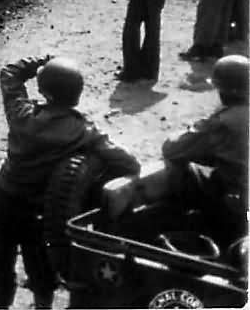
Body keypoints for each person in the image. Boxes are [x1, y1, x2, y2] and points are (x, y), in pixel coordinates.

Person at [0, 54, 140, 310]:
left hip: (2, 198)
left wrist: (43, 60)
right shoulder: (84, 131)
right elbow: (128, 163)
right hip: (39, 208)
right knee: (40, 260)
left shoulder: (22, 115)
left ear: (44, 91)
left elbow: (10, 72)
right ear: (76, 94)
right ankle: (42, 305)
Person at [105, 55, 247, 237]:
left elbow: (173, 148)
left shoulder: (223, 122)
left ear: (223, 91)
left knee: (178, 170)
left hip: (235, 205)